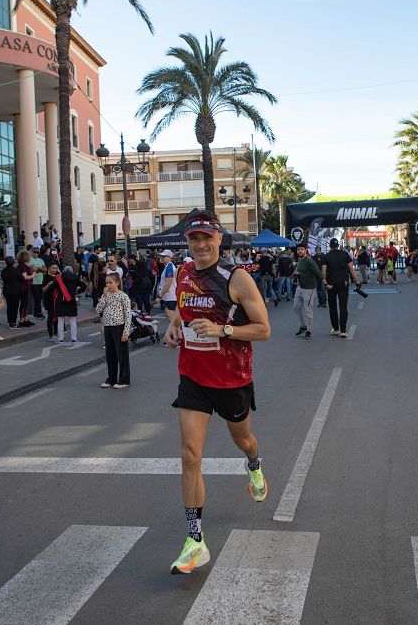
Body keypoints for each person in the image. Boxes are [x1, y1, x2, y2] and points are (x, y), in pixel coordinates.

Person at [163, 211, 271, 575]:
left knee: (243, 440)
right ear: (188, 242)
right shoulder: (183, 273)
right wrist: (174, 328)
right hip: (193, 376)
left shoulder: (236, 279)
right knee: (190, 455)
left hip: (232, 380)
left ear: (219, 241)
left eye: (207, 238)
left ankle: (254, 464)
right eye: (194, 239)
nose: (201, 245)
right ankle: (195, 542)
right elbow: (180, 311)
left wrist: (222, 331)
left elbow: (263, 329)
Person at [95, 272, 132, 388]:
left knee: (122, 355)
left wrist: (126, 332)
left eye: (110, 282)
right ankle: (111, 379)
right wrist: (104, 297)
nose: (108, 285)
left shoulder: (123, 296)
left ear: (117, 283)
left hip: (119, 327)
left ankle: (124, 380)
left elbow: (128, 315)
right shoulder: (106, 295)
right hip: (108, 327)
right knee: (110, 355)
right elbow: (98, 309)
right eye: (106, 283)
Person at [323, 237, 361, 338]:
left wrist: (325, 284)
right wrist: (357, 281)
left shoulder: (326, 256)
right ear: (338, 245)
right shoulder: (345, 254)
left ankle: (336, 329)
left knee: (332, 306)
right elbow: (352, 269)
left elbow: (323, 272)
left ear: (330, 246)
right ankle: (343, 330)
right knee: (343, 306)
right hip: (343, 283)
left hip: (331, 284)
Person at [45, 264, 86, 342]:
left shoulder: (59, 278)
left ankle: (61, 338)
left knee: (60, 320)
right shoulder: (75, 278)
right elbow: (84, 286)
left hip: (61, 301)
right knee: (73, 320)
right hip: (71, 300)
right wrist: (77, 292)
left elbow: (52, 287)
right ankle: (74, 338)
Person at [292, 244, 323, 339]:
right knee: (296, 308)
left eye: (302, 249)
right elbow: (298, 270)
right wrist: (296, 273)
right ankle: (303, 326)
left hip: (309, 289)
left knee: (308, 311)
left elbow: (317, 272)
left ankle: (309, 331)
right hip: (300, 287)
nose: (300, 251)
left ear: (305, 250)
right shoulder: (299, 260)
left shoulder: (309, 260)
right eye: (298, 249)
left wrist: (325, 283)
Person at [157, 249, 179, 331]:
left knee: (172, 319)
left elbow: (167, 284)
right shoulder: (168, 266)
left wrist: (159, 296)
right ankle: (176, 337)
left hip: (171, 296)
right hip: (169, 296)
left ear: (169, 257)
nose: (161, 258)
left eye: (163, 256)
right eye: (161, 256)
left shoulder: (169, 267)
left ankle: (178, 338)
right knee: (170, 317)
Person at [1, 256, 23, 330]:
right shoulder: (16, 270)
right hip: (15, 291)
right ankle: (13, 323)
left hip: (7, 291)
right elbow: (22, 278)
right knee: (14, 307)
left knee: (9, 306)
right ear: (13, 262)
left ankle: (10, 321)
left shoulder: (3, 271)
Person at [29, 248, 46, 320]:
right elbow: (32, 269)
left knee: (40, 297)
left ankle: (36, 313)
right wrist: (40, 269)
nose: (36, 253)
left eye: (37, 252)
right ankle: (39, 313)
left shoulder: (40, 260)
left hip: (41, 281)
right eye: (35, 252)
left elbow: (45, 269)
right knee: (37, 298)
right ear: (31, 252)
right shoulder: (29, 259)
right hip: (33, 282)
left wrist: (38, 269)